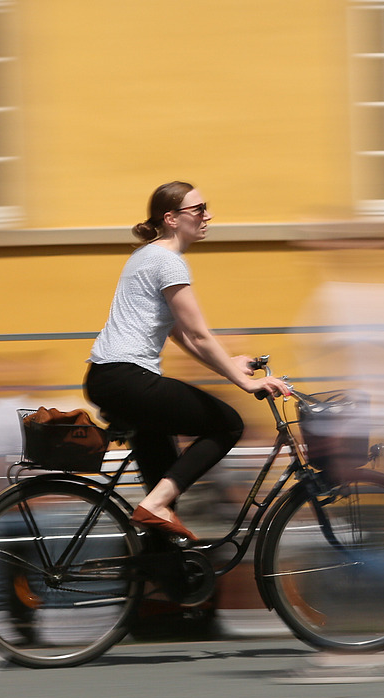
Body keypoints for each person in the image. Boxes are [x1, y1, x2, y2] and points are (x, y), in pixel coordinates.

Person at [85, 181, 290, 540]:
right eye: (198, 209)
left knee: (164, 496)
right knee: (227, 425)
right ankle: (156, 507)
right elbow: (197, 335)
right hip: (129, 378)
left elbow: (179, 334)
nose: (207, 215)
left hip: (109, 378)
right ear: (172, 219)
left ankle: (167, 577)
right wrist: (245, 383)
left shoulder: (145, 255)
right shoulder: (168, 262)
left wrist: (229, 363)